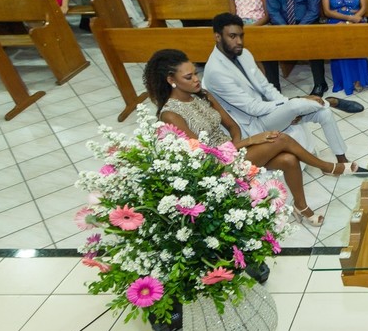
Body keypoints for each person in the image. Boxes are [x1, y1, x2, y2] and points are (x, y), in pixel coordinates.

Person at [145, 48, 340, 228]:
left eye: (196, 73)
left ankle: (301, 206)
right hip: (215, 167)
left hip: (233, 151)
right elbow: (201, 155)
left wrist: (237, 144)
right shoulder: (170, 114)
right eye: (189, 77)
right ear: (171, 80)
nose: (197, 79)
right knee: (279, 139)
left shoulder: (202, 95)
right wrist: (246, 142)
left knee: (289, 160)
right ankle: (326, 166)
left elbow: (232, 126)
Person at [199, 14, 368, 182]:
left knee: (323, 112)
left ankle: (342, 161)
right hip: (252, 124)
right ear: (217, 36)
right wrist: (293, 103)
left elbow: (266, 87)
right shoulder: (216, 71)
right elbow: (252, 108)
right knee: (297, 104)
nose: (239, 41)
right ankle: (329, 101)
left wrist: (285, 109)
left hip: (267, 111)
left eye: (241, 36)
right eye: (232, 36)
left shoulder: (243, 54)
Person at [262, 0, 328, 96]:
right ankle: (274, 89)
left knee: (314, 38)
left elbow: (313, 9)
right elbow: (273, 10)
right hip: (282, 25)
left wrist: (299, 29)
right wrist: (286, 29)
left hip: (306, 23)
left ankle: (320, 83)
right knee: (267, 44)